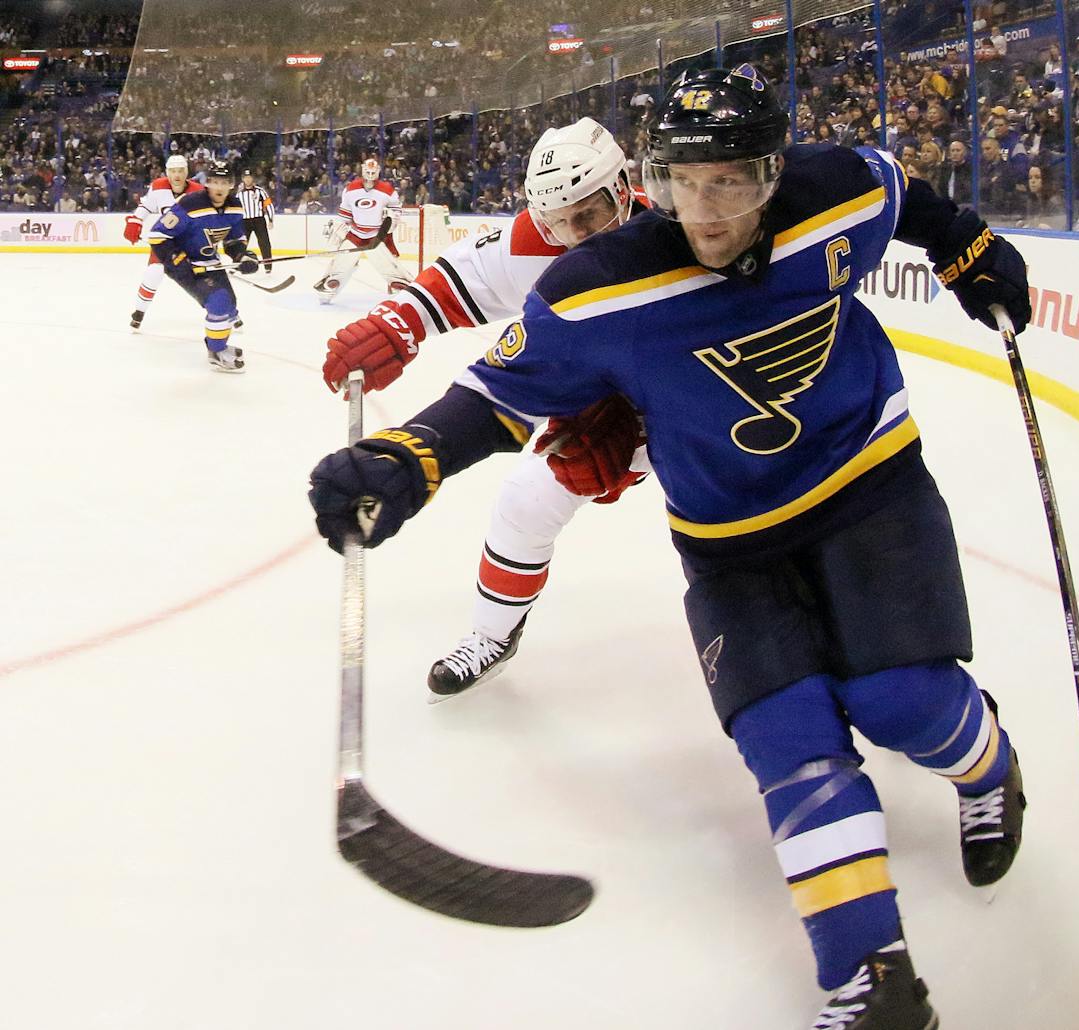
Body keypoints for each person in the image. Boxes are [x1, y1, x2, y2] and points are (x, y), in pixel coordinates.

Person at [308, 66, 1032, 1029]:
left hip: (868, 487)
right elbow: (495, 396)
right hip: (728, 537)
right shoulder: (600, 279)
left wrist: (968, 247)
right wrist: (407, 459)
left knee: (901, 702)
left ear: (774, 172)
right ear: (652, 180)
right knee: (788, 740)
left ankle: (989, 771)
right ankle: (871, 981)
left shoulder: (836, 196)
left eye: (731, 180)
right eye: (684, 183)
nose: (706, 208)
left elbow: (912, 197)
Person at [320, 118, 647, 697]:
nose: (575, 237)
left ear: (623, 188)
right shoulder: (534, 247)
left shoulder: (684, 231)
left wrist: (649, 425)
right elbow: (485, 357)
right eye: (557, 220)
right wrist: (399, 328)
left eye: (589, 214)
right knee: (526, 499)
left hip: (713, 411)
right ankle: (494, 634)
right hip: (606, 403)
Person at [145, 160, 258, 372]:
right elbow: (158, 235)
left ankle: (219, 344)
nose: (219, 187)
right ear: (207, 184)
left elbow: (234, 240)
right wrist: (181, 263)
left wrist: (243, 256)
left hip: (210, 262)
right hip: (183, 264)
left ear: (232, 185)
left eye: (224, 182)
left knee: (230, 303)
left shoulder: (234, 207)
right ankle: (216, 352)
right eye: (215, 182)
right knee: (219, 301)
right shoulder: (190, 204)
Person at [124, 153, 205, 331]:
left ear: (186, 172)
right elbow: (146, 205)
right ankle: (139, 312)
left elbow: (207, 216)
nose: (177, 175)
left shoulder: (198, 191)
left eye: (181, 171)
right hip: (164, 241)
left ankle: (224, 311)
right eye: (173, 171)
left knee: (201, 279)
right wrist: (136, 221)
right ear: (167, 173)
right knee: (154, 273)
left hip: (190, 242)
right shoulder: (158, 187)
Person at [314, 157, 408, 302]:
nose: (370, 176)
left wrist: (390, 220)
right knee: (341, 262)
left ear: (378, 172)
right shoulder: (351, 188)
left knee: (387, 263)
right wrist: (338, 229)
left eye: (373, 172)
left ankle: (398, 284)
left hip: (377, 235)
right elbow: (344, 214)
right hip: (356, 233)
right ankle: (330, 285)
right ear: (363, 170)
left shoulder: (388, 190)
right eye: (368, 172)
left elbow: (396, 212)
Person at [235, 169, 275, 273]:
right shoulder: (238, 194)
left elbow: (268, 204)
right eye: (245, 177)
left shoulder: (260, 191)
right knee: (241, 244)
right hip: (244, 221)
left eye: (249, 177)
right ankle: (236, 265)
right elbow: (235, 208)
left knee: (264, 243)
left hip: (259, 220)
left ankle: (268, 266)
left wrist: (270, 219)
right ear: (243, 179)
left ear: (252, 178)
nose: (247, 179)